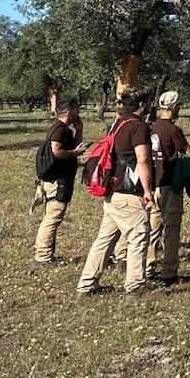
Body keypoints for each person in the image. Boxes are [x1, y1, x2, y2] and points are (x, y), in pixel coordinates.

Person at [76, 87, 154, 295]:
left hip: (112, 191)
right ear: (142, 105)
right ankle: (135, 285)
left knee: (105, 239)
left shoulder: (117, 123)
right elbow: (143, 159)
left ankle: (87, 283)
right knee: (138, 235)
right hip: (129, 192)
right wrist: (147, 190)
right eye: (148, 102)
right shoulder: (138, 127)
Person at [146, 91, 190, 285]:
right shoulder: (172, 129)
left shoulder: (150, 127)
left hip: (152, 186)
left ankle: (148, 267)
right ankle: (169, 271)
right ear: (172, 106)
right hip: (170, 185)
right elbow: (188, 152)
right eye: (178, 105)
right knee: (171, 229)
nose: (179, 108)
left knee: (152, 229)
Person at [34, 99, 88, 266]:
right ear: (70, 113)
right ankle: (43, 257)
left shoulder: (64, 129)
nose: (78, 114)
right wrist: (75, 153)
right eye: (76, 110)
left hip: (59, 179)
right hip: (58, 181)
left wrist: (79, 131)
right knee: (52, 218)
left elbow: (74, 146)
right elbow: (57, 152)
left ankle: (46, 253)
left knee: (52, 217)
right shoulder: (59, 129)